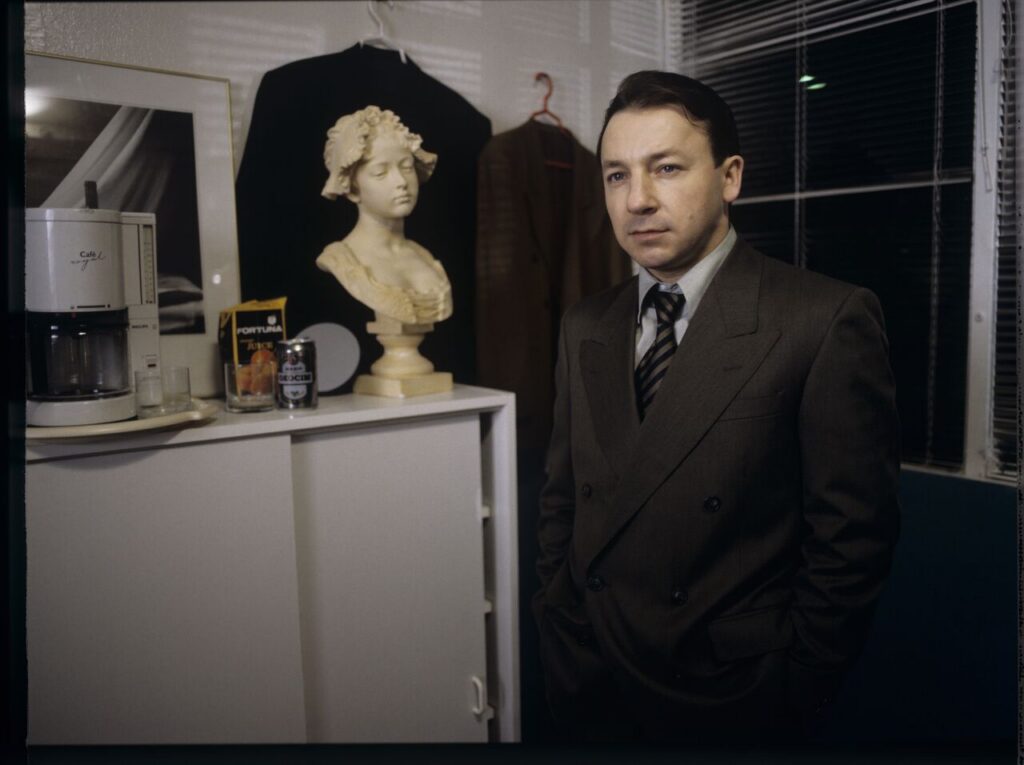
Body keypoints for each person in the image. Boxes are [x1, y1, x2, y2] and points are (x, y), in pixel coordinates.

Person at [534, 70, 901, 744]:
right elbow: (564, 498)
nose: (637, 200)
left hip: (727, 697)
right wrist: (559, 622)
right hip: (588, 679)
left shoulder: (822, 319)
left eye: (666, 168)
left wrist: (796, 688)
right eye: (616, 176)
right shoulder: (585, 323)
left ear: (730, 177)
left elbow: (851, 539)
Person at [317, 106, 452, 325]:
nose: (401, 182)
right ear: (351, 188)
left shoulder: (424, 257)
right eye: (381, 172)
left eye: (407, 167)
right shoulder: (343, 261)